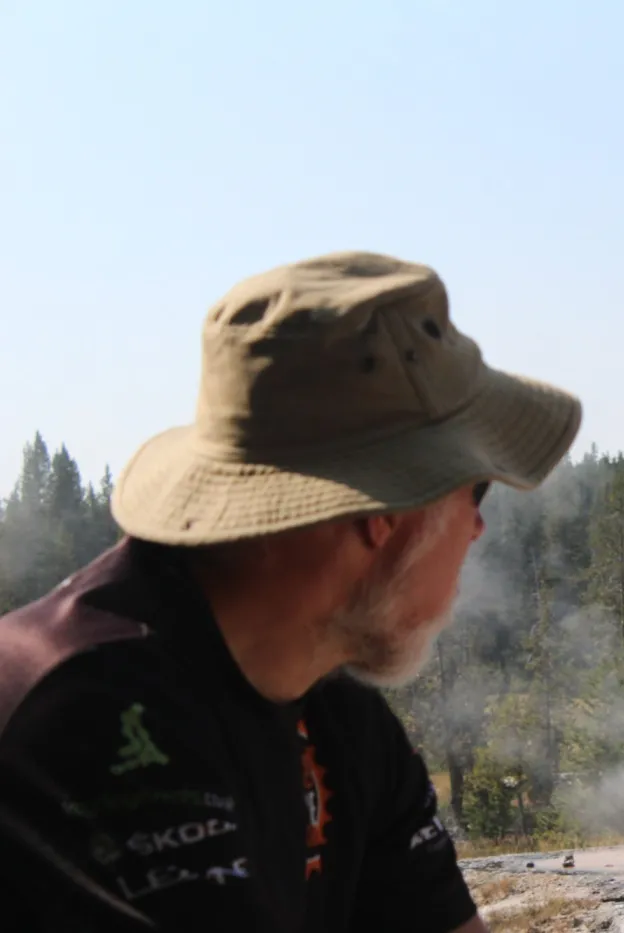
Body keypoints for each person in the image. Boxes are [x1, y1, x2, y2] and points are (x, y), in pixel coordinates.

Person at [0, 252, 583, 932]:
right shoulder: (82, 720)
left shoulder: (337, 713)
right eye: (476, 489)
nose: (480, 527)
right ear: (384, 514)